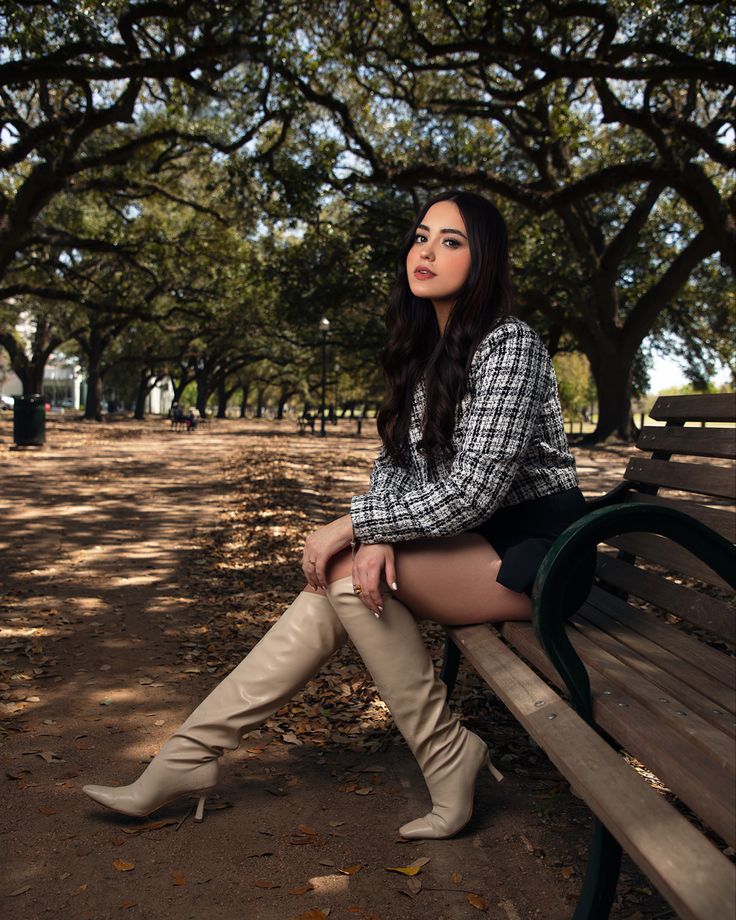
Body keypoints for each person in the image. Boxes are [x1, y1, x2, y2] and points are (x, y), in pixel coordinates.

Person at [83, 190, 592, 839]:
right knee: (341, 583)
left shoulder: (508, 344)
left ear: (485, 259)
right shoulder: (427, 349)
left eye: (452, 241)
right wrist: (378, 530)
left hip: (540, 554)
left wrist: (360, 527)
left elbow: (472, 492)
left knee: (348, 576)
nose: (427, 250)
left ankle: (440, 756)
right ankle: (187, 758)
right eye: (420, 236)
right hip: (472, 545)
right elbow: (396, 466)